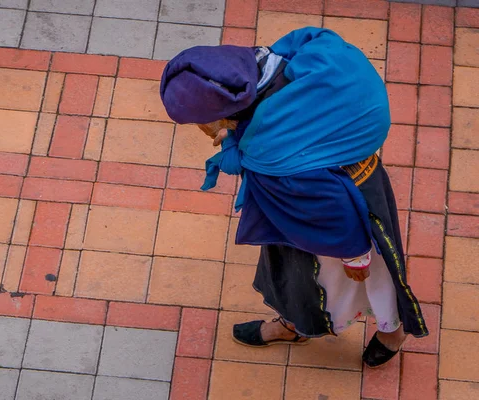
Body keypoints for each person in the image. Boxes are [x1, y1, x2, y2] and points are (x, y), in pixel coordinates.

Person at [159, 27, 427, 368]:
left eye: (204, 121)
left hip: (343, 218)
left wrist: (354, 253)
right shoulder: (290, 60)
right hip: (338, 186)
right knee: (302, 279)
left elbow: (330, 208)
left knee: (361, 273)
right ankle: (295, 325)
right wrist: (238, 128)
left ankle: (391, 331)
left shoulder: (273, 156)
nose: (202, 129)